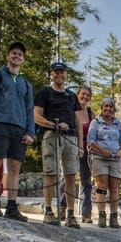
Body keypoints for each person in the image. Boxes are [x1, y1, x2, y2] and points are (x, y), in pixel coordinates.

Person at [0, 41, 35, 222]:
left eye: (20, 55)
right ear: (8, 55)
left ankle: (12, 206)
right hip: (0, 124)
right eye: (14, 53)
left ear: (23, 59)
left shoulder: (25, 84)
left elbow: (29, 109)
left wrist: (30, 132)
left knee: (14, 167)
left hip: (19, 128)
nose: (16, 57)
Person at [34, 62, 86, 227]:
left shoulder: (71, 96)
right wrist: (53, 125)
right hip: (52, 135)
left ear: (65, 75)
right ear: (51, 74)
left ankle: (70, 214)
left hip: (71, 137)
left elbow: (78, 120)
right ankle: (48, 210)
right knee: (51, 173)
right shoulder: (44, 93)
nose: (59, 75)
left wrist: (80, 144)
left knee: (71, 175)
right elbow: (36, 116)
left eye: (62, 72)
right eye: (56, 72)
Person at [86, 97, 121, 228]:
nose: (108, 109)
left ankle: (114, 216)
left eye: (110, 106)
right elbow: (90, 141)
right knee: (102, 186)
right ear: (102, 108)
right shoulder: (95, 122)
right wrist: (102, 151)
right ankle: (102, 215)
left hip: (115, 159)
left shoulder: (118, 124)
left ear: (114, 109)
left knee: (114, 188)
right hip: (100, 158)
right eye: (106, 106)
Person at [64, 85, 95, 223]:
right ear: (77, 95)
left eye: (88, 95)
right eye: (83, 94)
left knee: (86, 181)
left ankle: (86, 213)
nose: (85, 97)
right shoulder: (70, 110)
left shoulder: (90, 113)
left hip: (86, 150)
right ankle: (63, 207)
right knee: (65, 178)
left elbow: (95, 131)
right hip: (71, 146)